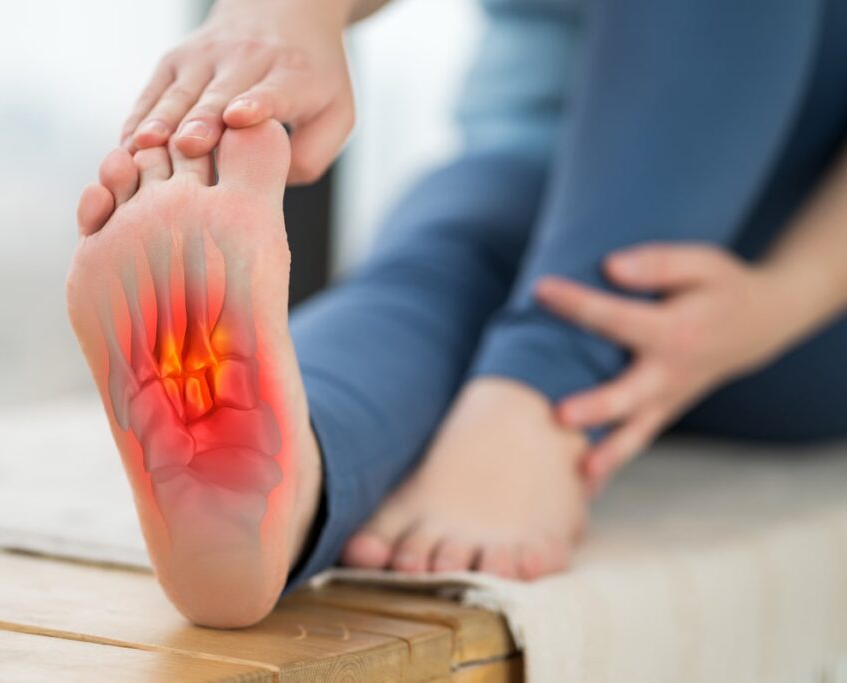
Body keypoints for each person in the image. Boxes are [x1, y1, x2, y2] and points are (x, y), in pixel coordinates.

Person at [67, 0, 847, 628]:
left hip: (796, 299)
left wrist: (783, 300)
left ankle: (538, 398)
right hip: (529, 192)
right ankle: (294, 475)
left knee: (436, 278)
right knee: (432, 272)